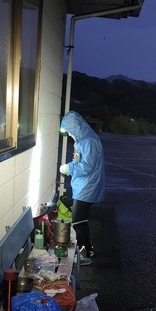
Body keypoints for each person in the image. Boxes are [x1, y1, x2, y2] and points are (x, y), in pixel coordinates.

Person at [59, 111, 105, 265]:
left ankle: (83, 255)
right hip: (83, 187)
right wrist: (70, 168)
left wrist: (68, 168)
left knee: (78, 221)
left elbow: (87, 166)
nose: (69, 135)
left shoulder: (89, 141)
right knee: (81, 220)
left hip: (87, 188)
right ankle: (88, 250)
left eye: (69, 131)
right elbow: (81, 162)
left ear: (75, 128)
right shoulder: (83, 140)